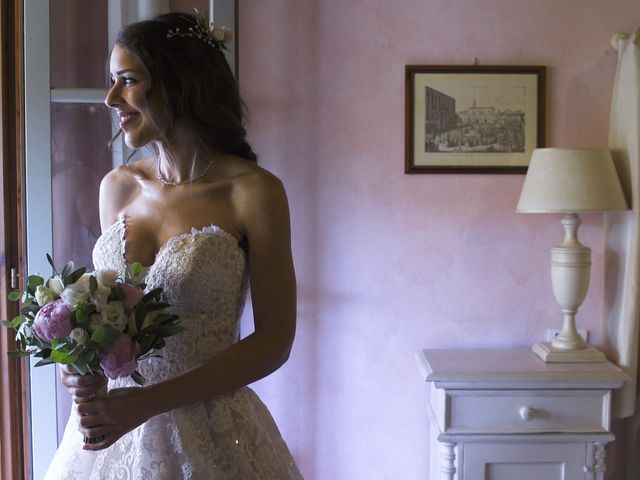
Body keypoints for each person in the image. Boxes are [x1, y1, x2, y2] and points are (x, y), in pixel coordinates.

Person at [44, 11, 302, 479]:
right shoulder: (117, 187)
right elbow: (118, 318)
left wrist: (147, 403)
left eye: (127, 80)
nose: (110, 98)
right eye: (111, 81)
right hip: (112, 432)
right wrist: (84, 364)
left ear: (180, 83)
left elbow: (274, 341)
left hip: (213, 432)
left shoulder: (253, 191)